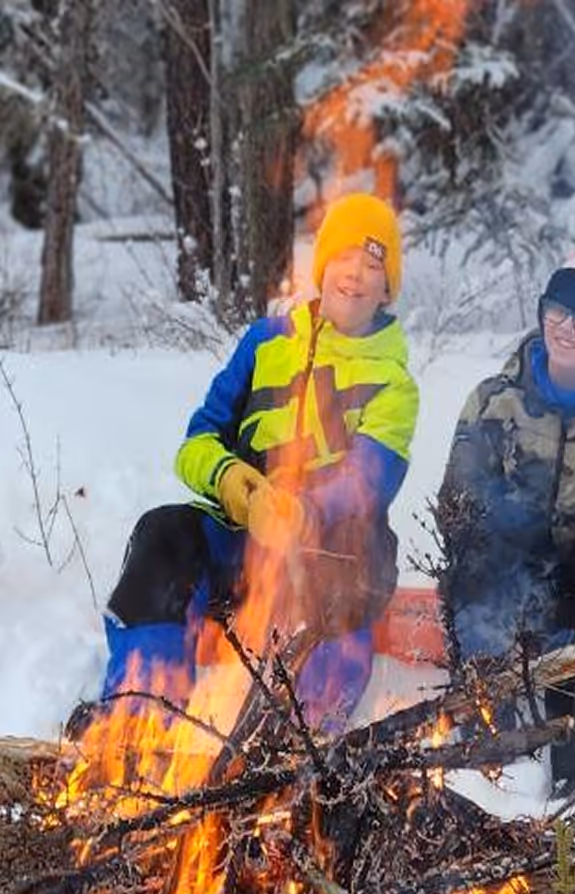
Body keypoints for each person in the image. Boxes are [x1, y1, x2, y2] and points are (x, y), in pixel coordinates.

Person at [95, 193, 419, 735]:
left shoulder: (394, 382)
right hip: (244, 539)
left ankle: (299, 735)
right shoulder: (266, 342)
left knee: (351, 559)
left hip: (330, 547)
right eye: (344, 257)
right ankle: (141, 711)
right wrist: (232, 483)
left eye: (372, 265)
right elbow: (197, 442)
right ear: (322, 266)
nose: (354, 275)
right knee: (163, 532)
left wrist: (303, 511)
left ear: (387, 288)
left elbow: (370, 479)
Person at [437, 242, 575, 799]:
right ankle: (488, 767)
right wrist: (494, 532)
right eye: (558, 310)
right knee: (477, 590)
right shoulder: (494, 401)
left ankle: (568, 781)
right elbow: (455, 499)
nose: (566, 327)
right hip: (504, 578)